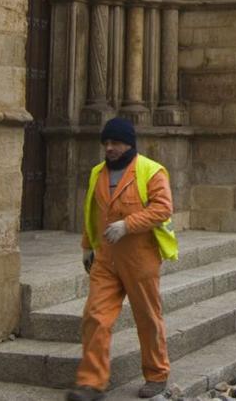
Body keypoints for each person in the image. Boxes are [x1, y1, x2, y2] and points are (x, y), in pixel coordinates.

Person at [68, 117, 178, 401]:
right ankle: (92, 384)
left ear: (129, 144)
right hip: (105, 258)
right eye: (106, 143)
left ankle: (156, 375)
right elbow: (92, 212)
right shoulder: (97, 173)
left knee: (147, 318)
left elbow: (163, 209)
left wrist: (128, 224)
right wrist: (86, 246)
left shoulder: (151, 171)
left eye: (115, 142)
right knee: (95, 316)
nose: (110, 148)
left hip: (140, 257)